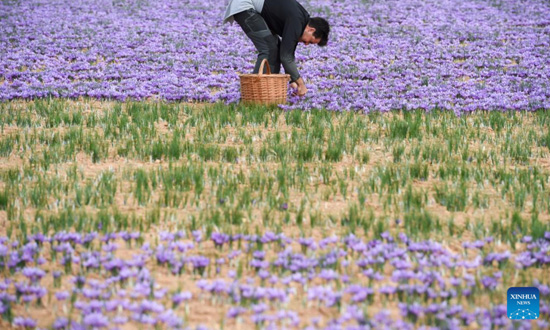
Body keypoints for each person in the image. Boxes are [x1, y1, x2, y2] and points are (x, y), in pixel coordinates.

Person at [224, 0, 330, 97]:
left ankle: (267, 94)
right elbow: (286, 57)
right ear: (311, 30)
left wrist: (292, 81)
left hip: (250, 6)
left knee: (275, 47)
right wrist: (301, 84)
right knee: (268, 48)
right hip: (245, 5)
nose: (306, 44)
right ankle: (254, 96)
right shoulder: (297, 20)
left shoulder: (300, 20)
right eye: (310, 41)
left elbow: (286, 53)